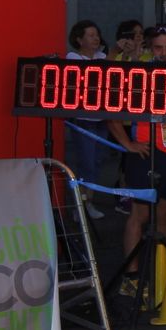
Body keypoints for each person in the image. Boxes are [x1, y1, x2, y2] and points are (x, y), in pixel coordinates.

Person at [107, 26, 166, 262]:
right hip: (148, 153)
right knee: (140, 215)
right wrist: (128, 144)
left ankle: (158, 271)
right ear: (151, 50)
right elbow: (112, 115)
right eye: (158, 48)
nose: (164, 53)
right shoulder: (141, 76)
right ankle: (131, 277)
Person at [64, 20, 109, 212]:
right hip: (83, 120)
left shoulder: (102, 56)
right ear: (78, 39)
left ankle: (86, 202)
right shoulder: (73, 57)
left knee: (97, 162)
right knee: (86, 164)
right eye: (90, 35)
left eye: (97, 34)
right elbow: (94, 74)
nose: (96, 38)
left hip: (101, 120)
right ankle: (81, 207)